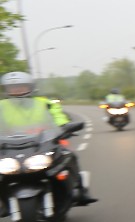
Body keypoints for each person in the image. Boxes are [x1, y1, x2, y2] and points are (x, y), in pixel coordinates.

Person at [0, 71, 97, 204]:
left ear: (31, 87)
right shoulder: (2, 106)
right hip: (10, 145)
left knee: (69, 155)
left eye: (21, 86)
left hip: (44, 141)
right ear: (6, 89)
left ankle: (80, 190)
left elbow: (58, 116)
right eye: (12, 87)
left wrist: (64, 126)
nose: (17, 90)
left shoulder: (45, 103)